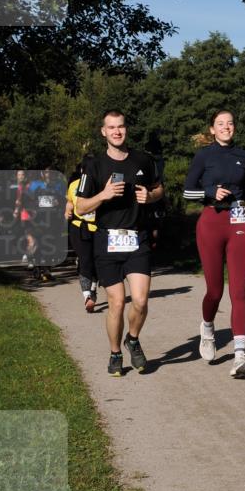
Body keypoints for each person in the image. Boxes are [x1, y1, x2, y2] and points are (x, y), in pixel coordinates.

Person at [76, 111, 164, 377]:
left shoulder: (143, 160)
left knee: (140, 300)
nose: (117, 132)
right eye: (111, 127)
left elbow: (160, 189)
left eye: (121, 127)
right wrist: (102, 195)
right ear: (103, 131)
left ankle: (133, 339)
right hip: (107, 241)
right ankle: (115, 353)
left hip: (137, 238)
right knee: (116, 303)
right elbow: (80, 206)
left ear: (126, 129)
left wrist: (151, 196)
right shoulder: (92, 166)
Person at [183, 110, 245, 378]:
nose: (226, 127)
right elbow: (186, 191)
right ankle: (207, 327)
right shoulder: (204, 155)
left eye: (230, 122)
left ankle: (240, 356)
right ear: (213, 129)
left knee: (239, 291)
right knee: (215, 291)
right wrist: (210, 192)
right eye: (221, 124)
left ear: (234, 128)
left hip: (239, 223)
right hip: (211, 222)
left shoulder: (244, 156)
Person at [65, 160, 98, 313]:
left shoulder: (102, 184)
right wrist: (68, 210)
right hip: (79, 227)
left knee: (97, 261)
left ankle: (93, 289)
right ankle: (87, 296)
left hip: (99, 229)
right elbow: (69, 202)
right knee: (86, 260)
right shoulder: (74, 185)